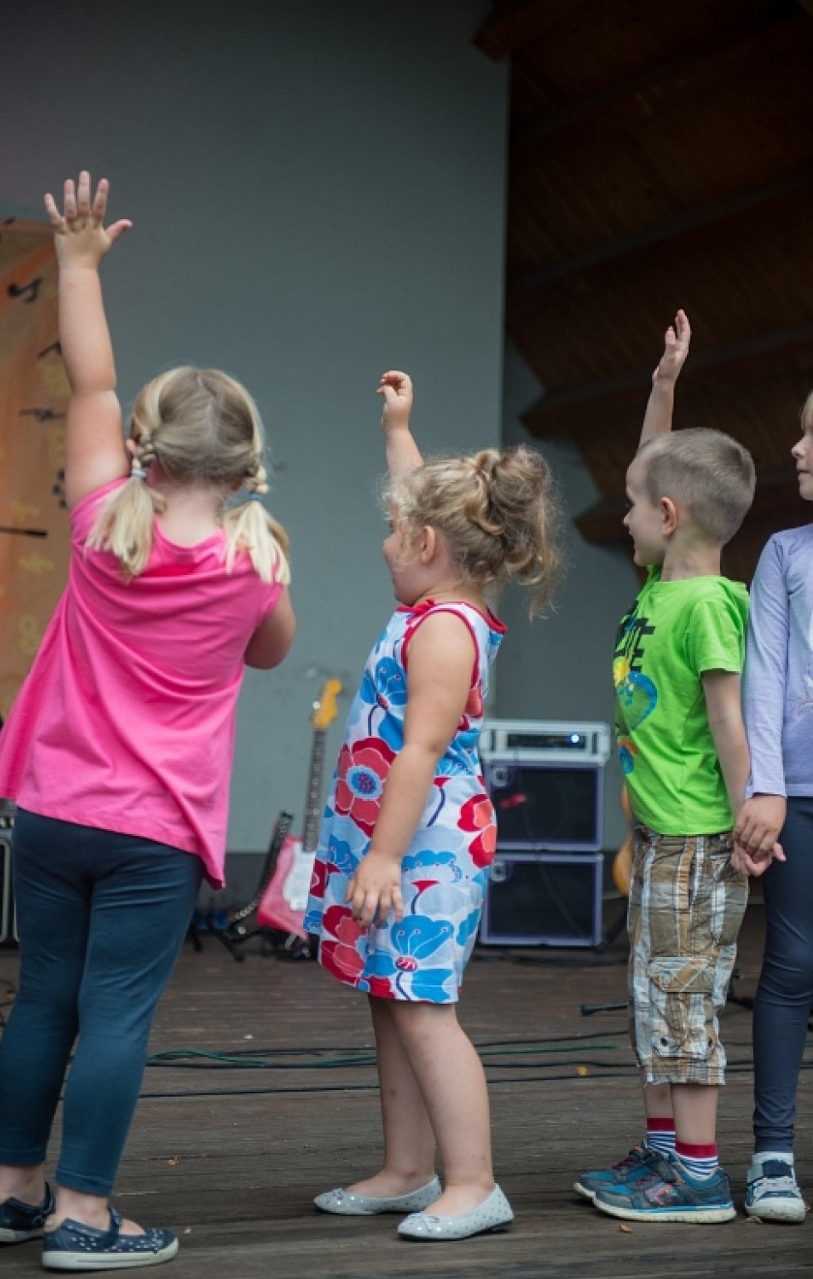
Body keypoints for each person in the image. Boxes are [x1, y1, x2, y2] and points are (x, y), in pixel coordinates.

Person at [0, 172, 295, 1270]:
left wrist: (76, 264)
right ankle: (84, 1216)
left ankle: (12, 1193)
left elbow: (93, 377)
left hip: (55, 812)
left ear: (146, 448)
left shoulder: (103, 520)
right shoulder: (259, 560)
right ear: (248, 463)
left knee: (41, 1001)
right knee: (115, 1015)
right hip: (155, 834)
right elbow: (272, 650)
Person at [304, 369, 565, 1242]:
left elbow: (418, 750)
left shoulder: (447, 628)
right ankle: (408, 1168)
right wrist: (399, 424)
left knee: (424, 1006)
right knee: (390, 995)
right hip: (392, 838)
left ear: (427, 542)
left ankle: (475, 1182)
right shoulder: (432, 595)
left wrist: (381, 856)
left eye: (393, 529)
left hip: (425, 846)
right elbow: (421, 495)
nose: (384, 539)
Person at [576, 310, 758, 1223]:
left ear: (670, 519)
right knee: (654, 996)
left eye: (633, 508)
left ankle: (695, 1176)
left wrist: (750, 812)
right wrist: (663, 385)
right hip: (658, 834)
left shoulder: (708, 608)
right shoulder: (661, 585)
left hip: (697, 837)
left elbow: (729, 720)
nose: (623, 517)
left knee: (685, 1005)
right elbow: (656, 472)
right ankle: (659, 1155)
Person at [733, 388, 813, 1224]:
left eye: (811, 434)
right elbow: (767, 676)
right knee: (790, 966)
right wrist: (768, 786)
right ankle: (772, 1156)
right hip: (801, 793)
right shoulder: (785, 552)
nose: (796, 448)